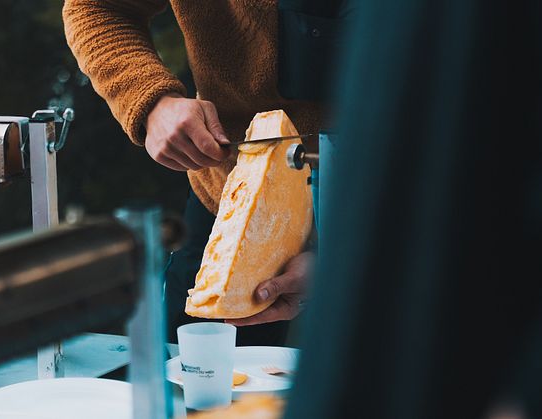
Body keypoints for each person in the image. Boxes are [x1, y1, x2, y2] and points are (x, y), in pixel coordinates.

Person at [62, 0, 343, 345]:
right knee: (193, 386)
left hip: (393, 211)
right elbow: (96, 8)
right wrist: (152, 101)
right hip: (230, 207)